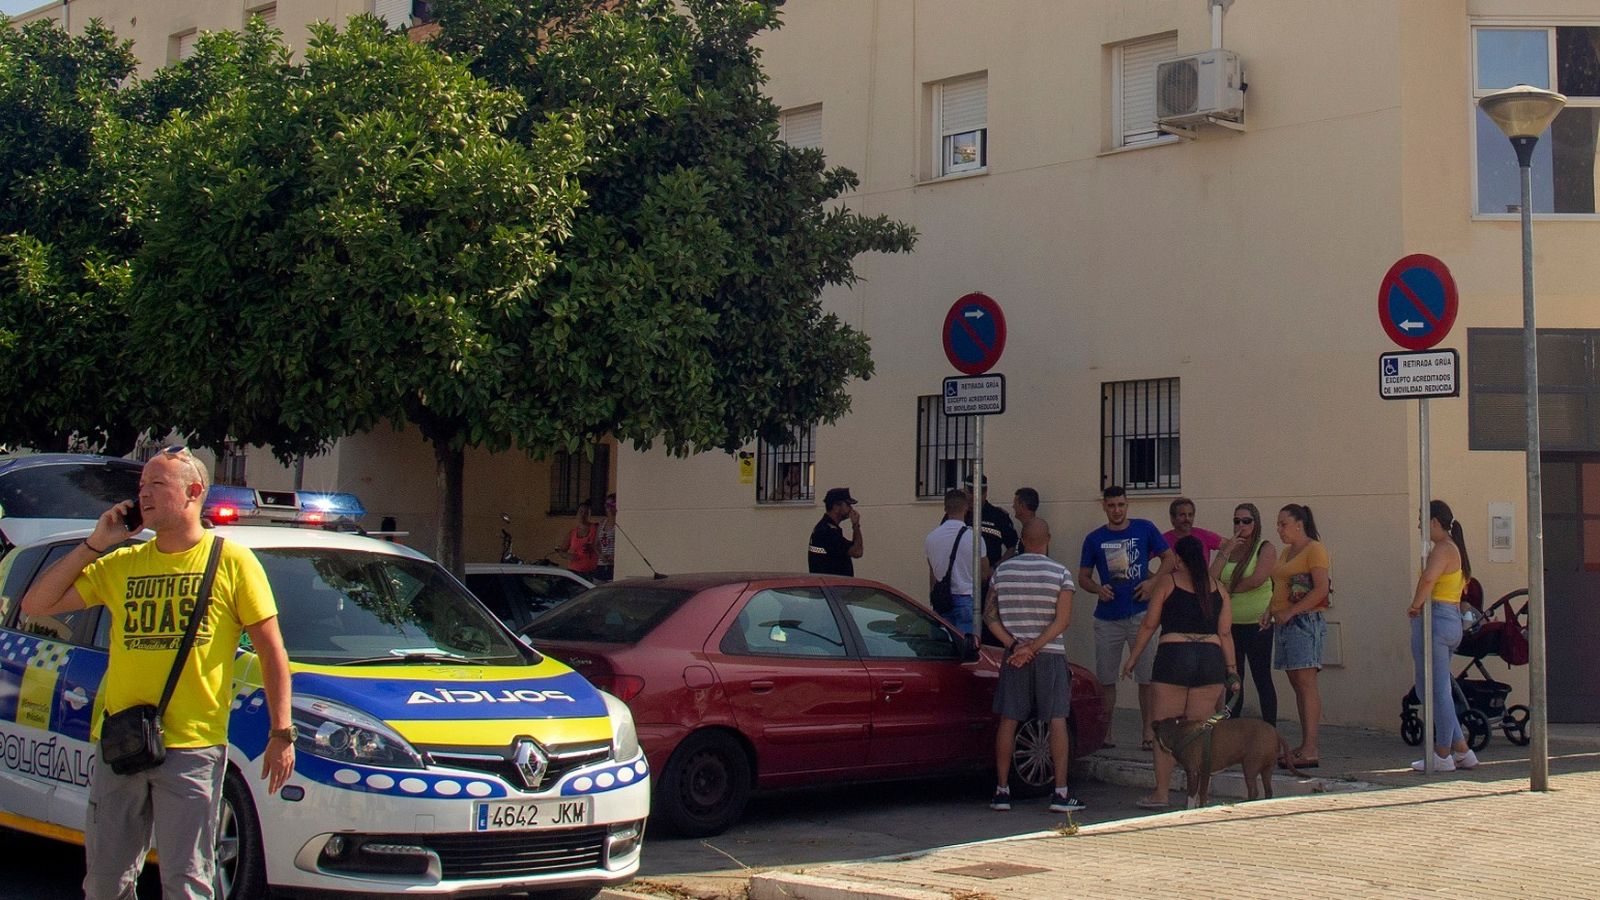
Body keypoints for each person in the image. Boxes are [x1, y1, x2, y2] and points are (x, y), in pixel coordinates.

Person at [20, 446, 294, 899]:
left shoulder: (231, 561)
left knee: (186, 883)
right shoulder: (123, 564)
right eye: (141, 486)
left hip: (192, 747)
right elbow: (37, 604)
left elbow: (272, 651)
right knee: (107, 884)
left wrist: (281, 733)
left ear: (193, 492)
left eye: (157, 485)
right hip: (123, 742)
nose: (143, 495)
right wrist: (95, 544)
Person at [1124, 535, 1236, 809]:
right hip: (1210, 659)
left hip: (1174, 656)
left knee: (1165, 727)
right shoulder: (1219, 588)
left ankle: (1161, 793)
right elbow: (1225, 633)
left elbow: (1149, 625)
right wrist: (1232, 671)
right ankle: (1197, 795)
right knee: (1199, 733)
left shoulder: (1168, 582)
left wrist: (1133, 658)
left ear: (1180, 559)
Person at [985, 517, 1083, 813]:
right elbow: (1062, 620)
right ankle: (1061, 793)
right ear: (1048, 539)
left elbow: (990, 616)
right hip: (1050, 654)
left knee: (1009, 719)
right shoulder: (1060, 573)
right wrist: (1035, 647)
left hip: (1014, 656)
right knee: (1056, 719)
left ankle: (1002, 791)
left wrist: (1016, 646)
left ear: (1022, 541)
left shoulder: (1002, 571)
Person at [1078, 486, 1174, 750]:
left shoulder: (1144, 528)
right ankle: (1106, 733)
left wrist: (1153, 586)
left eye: (1121, 505)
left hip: (1142, 614)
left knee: (1147, 677)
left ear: (1127, 504)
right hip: (1108, 617)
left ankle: (1148, 733)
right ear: (1105, 507)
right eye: (1112, 506)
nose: (1117, 510)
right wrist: (1098, 588)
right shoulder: (1094, 538)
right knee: (1107, 678)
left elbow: (1169, 558)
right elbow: (1083, 577)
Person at [1408, 499, 1478, 772]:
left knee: (1435, 689)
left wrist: (1415, 605)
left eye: (1422, 521)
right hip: (1450, 620)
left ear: (1435, 522)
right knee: (1437, 686)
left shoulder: (1443, 549)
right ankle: (1461, 750)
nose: (1419, 526)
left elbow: (1428, 580)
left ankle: (1441, 753)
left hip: (1436, 618)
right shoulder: (1455, 549)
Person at [1265, 503, 1330, 769]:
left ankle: (1311, 747)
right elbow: (1279, 585)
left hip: (1304, 621)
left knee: (1306, 684)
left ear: (1298, 524)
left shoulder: (1314, 549)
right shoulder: (1285, 553)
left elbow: (1321, 589)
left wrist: (1292, 611)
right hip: (1284, 622)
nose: (1279, 529)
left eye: (1283, 524)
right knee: (1296, 684)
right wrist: (1270, 610)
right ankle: (1304, 745)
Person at [1210, 502, 1278, 723]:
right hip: (1230, 625)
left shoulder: (1264, 547)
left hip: (1257, 623)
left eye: (1246, 521)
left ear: (1255, 523)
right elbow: (1212, 578)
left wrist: (1226, 589)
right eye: (1236, 521)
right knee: (1233, 678)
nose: (1241, 525)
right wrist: (1226, 550)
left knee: (1261, 677)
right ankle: (1232, 728)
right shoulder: (1228, 548)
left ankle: (1269, 730)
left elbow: (1256, 580)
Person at [925, 488, 982, 640]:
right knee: (968, 648)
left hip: (942, 599)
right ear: (966, 508)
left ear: (945, 508)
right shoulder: (975, 537)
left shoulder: (931, 538)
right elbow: (982, 573)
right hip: (967, 597)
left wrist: (934, 596)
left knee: (943, 648)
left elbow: (932, 574)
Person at [808, 487, 862, 575]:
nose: (851, 508)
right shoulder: (828, 532)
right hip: (833, 586)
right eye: (848, 505)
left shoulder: (824, 528)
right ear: (836, 507)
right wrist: (856, 525)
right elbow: (857, 551)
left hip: (828, 585)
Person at [1164, 497, 1223, 565]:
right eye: (1182, 515)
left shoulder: (1203, 535)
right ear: (1172, 518)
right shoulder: (1163, 540)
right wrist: (1156, 576)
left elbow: (1230, 546)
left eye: (1190, 515)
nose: (1187, 519)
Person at [562, 500, 599, 576]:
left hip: (592, 571)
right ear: (577, 514)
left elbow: (603, 544)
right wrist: (568, 555)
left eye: (586, 513)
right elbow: (562, 550)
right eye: (581, 512)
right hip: (574, 571)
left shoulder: (596, 529)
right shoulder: (572, 533)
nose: (583, 515)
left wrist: (593, 548)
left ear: (589, 515)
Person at [595, 493, 617, 582]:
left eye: (612, 505)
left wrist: (614, 556)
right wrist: (601, 555)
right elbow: (596, 545)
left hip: (613, 564)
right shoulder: (603, 522)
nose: (609, 508)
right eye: (607, 505)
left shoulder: (619, 522)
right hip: (601, 563)